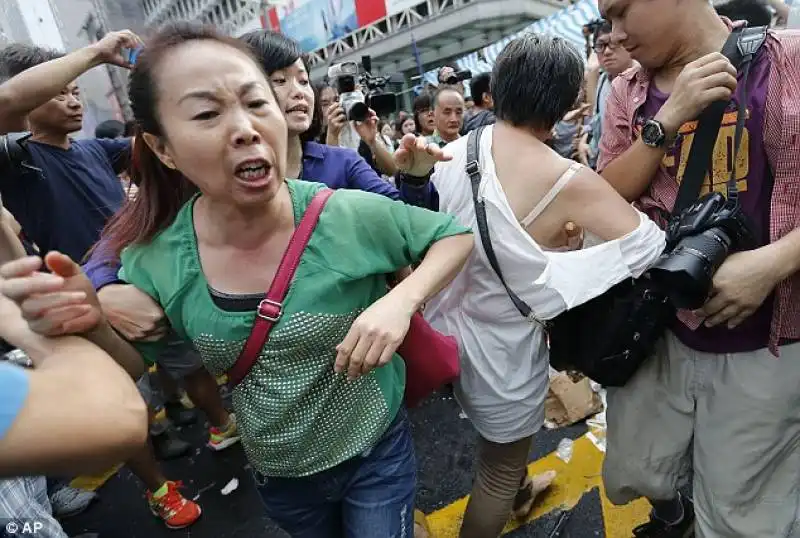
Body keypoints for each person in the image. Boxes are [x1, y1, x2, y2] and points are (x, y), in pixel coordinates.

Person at [51, 22, 473, 537]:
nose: (246, 128)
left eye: (256, 103)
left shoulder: (345, 214)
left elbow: (453, 237)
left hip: (376, 451)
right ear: (163, 149)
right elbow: (136, 361)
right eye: (207, 113)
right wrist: (92, 319)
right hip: (281, 474)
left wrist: (399, 302)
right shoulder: (159, 259)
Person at [396, 33, 666, 538]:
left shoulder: (451, 152)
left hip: (446, 330)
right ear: (568, 103)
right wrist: (567, 258)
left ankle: (520, 487)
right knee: (496, 472)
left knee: (493, 442)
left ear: (497, 88)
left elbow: (421, 236)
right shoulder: (566, 178)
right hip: (504, 351)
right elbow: (647, 247)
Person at [597, 0, 800, 534]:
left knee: (742, 509)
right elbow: (603, 199)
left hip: (767, 348)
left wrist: (773, 264)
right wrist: (665, 121)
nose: (615, 35)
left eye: (621, 12)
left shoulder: (788, 62)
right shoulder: (628, 92)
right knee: (642, 470)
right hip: (664, 334)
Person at [578, 20, 634, 167]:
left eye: (614, 43)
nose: (607, 51)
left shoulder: (642, 81)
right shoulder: (602, 81)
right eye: (600, 45)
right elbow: (595, 121)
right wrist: (585, 140)